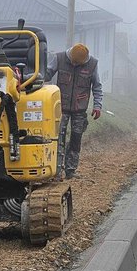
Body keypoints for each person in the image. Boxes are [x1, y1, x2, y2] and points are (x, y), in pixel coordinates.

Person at [46, 43, 102, 179]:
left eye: (77, 63)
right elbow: (46, 74)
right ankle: (56, 171)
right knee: (58, 139)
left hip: (80, 110)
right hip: (61, 108)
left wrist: (97, 106)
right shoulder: (59, 58)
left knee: (76, 139)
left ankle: (71, 170)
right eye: (72, 62)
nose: (74, 64)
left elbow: (97, 87)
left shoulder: (92, 64)